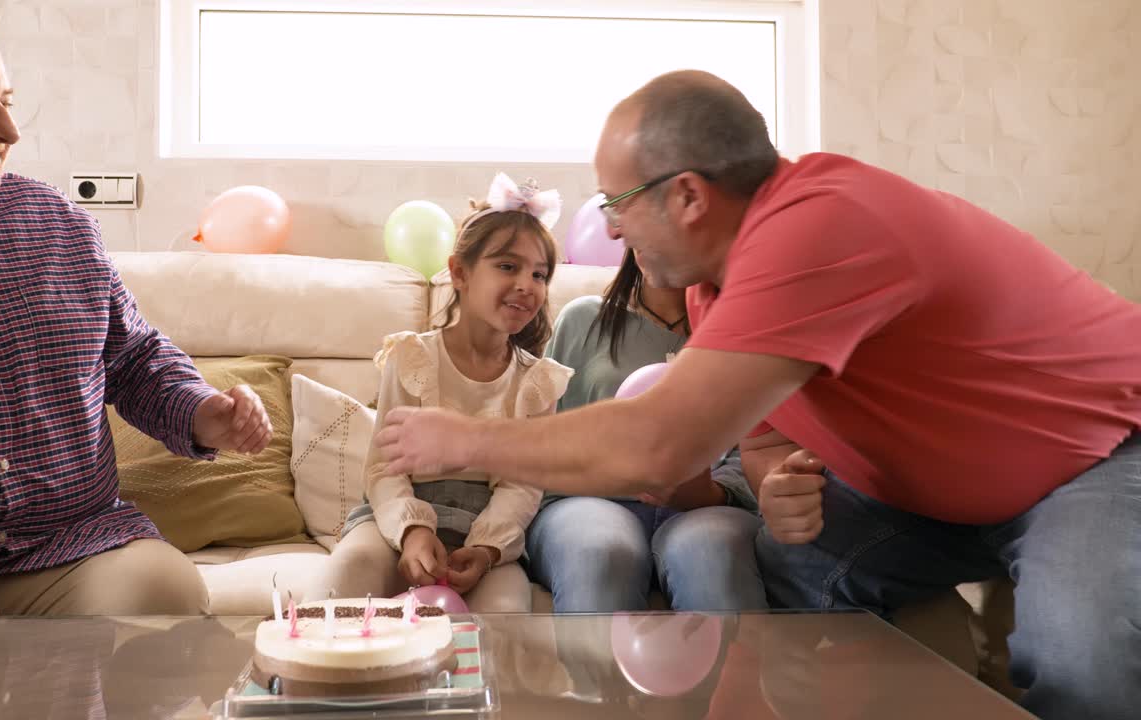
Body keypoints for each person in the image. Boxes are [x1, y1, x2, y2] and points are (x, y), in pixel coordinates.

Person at [374, 70, 1141, 720]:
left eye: (616, 203)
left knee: (1080, 663)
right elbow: (771, 440)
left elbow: (656, 446)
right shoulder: (715, 283)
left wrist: (463, 437)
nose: (606, 231)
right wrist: (777, 488)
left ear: (688, 196)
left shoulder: (818, 225)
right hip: (936, 502)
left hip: (1093, 453)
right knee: (779, 569)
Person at [0, 0, 273, 673]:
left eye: (7, 100)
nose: (7, 130)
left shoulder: (56, 222)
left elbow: (135, 356)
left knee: (163, 590)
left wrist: (200, 410)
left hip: (65, 554)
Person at [321, 172, 571, 613]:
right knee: (347, 577)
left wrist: (486, 549)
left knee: (506, 615)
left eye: (540, 274)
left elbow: (522, 485)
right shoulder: (412, 358)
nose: (526, 285)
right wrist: (414, 531)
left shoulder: (538, 382)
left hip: (486, 526)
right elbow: (384, 468)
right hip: (399, 516)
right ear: (459, 272)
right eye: (508, 267)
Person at [526, 249, 764, 612]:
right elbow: (545, 440)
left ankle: (743, 670)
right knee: (599, 553)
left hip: (706, 509)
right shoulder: (583, 318)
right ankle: (595, 669)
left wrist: (709, 492)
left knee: (711, 555)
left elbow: (759, 447)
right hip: (587, 503)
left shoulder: (743, 335)